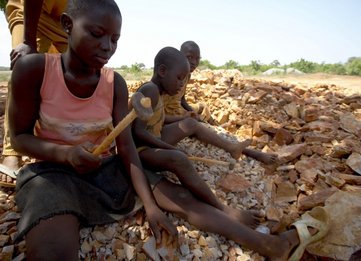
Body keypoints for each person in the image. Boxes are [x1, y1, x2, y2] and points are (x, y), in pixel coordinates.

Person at [8, 1, 177, 259]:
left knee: (177, 195)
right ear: (67, 25)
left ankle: (259, 240)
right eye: (97, 34)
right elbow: (19, 138)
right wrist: (66, 155)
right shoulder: (33, 70)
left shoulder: (113, 82)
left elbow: (126, 148)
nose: (108, 47)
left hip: (102, 167)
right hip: (52, 172)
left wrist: (152, 207)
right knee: (50, 246)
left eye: (115, 39)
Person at [132, 47, 330, 260]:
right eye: (179, 78)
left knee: (187, 138)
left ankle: (269, 243)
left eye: (185, 78)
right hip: (140, 152)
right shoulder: (150, 90)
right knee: (179, 165)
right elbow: (137, 133)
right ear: (162, 71)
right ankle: (225, 210)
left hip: (152, 141)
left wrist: (185, 119)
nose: (182, 83)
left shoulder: (159, 91)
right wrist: (170, 148)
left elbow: (156, 122)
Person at [163, 41, 278, 165]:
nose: (194, 62)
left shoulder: (186, 75)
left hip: (178, 113)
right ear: (179, 55)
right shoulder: (170, 77)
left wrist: (190, 112)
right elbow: (158, 115)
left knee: (204, 115)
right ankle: (249, 152)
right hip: (170, 119)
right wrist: (183, 118)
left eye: (197, 59)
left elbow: (182, 99)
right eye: (189, 57)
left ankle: (213, 124)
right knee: (205, 130)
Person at [1, 0, 68, 184]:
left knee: (74, 71)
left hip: (67, 19)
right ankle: (12, 150)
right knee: (24, 70)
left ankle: (56, 142)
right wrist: (28, 40)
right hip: (29, 11)